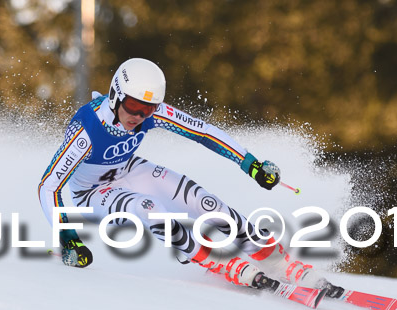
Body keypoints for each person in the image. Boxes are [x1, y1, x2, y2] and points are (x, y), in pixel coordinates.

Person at [38, 58, 343, 297]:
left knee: (207, 204)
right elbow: (48, 185)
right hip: (91, 193)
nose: (139, 117)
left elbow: (202, 132)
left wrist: (250, 163)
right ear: (116, 95)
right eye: (133, 107)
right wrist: (67, 235)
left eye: (148, 110)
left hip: (129, 169)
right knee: (150, 210)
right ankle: (217, 260)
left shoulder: (149, 112)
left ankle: (275, 260)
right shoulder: (87, 130)